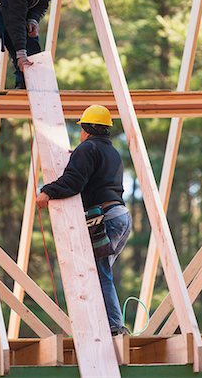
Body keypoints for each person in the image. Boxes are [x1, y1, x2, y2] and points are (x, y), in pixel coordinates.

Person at [36, 105, 132, 336]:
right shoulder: (111, 152)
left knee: (99, 274)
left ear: (87, 129)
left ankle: (113, 327)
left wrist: (47, 191)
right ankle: (109, 324)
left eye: (81, 129)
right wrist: (76, 156)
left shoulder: (87, 148)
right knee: (101, 272)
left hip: (106, 218)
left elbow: (74, 181)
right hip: (121, 217)